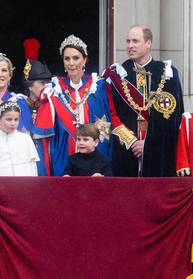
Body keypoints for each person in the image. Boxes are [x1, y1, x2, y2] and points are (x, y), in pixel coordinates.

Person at [33, 34, 129, 177]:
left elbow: (109, 120)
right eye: (67, 58)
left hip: (95, 154)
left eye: (76, 58)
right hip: (64, 151)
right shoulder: (55, 89)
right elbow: (44, 132)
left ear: (84, 60)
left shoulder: (98, 86)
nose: (71, 63)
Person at [102, 25, 185, 177]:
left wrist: (148, 144)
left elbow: (174, 117)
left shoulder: (167, 73)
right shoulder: (118, 75)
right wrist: (132, 142)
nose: (130, 46)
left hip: (159, 152)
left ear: (148, 43)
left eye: (135, 41)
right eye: (128, 41)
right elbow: (111, 114)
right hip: (127, 151)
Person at [0, 100, 39, 177]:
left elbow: (32, 169)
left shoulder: (26, 139)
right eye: (9, 120)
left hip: (20, 185)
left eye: (16, 119)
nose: (13, 123)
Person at [21, 38, 54, 175]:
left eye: (48, 83)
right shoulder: (18, 105)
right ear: (29, 86)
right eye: (41, 83)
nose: (46, 87)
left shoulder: (52, 105)